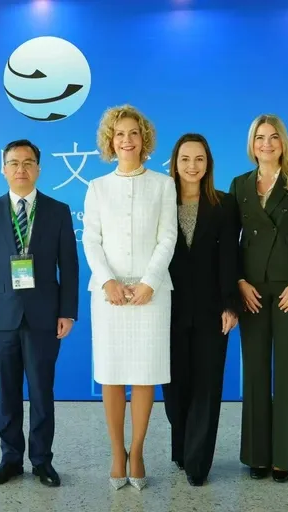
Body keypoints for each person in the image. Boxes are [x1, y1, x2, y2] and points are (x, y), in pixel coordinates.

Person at [0, 139, 78, 488]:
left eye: (28, 162)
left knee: (42, 392)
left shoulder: (58, 210)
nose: (21, 169)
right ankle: (10, 459)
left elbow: (69, 266)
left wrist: (68, 311)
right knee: (7, 392)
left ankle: (42, 461)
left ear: (38, 169)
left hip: (45, 315)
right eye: (14, 163)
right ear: (3, 169)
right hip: (1, 316)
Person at [82, 104, 177, 490]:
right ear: (110, 141)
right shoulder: (97, 187)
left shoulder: (163, 185)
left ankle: (137, 451)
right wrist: (107, 282)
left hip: (151, 295)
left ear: (144, 139)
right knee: (111, 374)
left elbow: (167, 237)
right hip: (110, 296)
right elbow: (91, 240)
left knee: (143, 374)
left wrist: (150, 282)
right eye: (119, 134)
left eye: (133, 133)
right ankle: (116, 453)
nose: (126, 140)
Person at [228, 114, 288, 483]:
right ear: (251, 144)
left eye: (273, 137)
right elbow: (230, 241)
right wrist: (239, 281)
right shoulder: (239, 184)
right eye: (259, 137)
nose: (266, 144)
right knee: (254, 371)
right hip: (252, 289)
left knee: (287, 371)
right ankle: (257, 455)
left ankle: (284, 457)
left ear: (283, 142)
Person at [163, 133, 240, 487]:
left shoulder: (223, 204)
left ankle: (198, 463)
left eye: (199, 159)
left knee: (207, 385)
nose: (192, 166)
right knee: (175, 386)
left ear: (208, 164)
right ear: (175, 164)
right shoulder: (161, 201)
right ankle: (181, 447)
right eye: (185, 159)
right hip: (168, 308)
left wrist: (230, 304)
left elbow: (229, 258)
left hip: (211, 309)